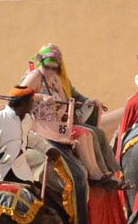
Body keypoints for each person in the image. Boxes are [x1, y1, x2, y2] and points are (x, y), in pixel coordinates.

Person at [30, 53, 120, 185]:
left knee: (88, 134)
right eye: (47, 67)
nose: (50, 71)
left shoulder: (56, 79)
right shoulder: (35, 76)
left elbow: (65, 100)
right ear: (41, 64)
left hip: (57, 122)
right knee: (84, 134)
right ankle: (94, 173)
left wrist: (62, 110)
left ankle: (97, 171)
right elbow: (19, 94)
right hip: (41, 124)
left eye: (54, 68)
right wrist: (41, 97)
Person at [0, 87, 48, 185]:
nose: (33, 105)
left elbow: (28, 137)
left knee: (35, 193)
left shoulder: (27, 119)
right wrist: (8, 154)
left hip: (21, 171)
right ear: (23, 103)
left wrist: (48, 149)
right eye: (31, 101)